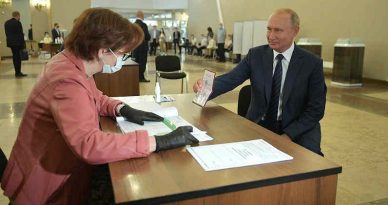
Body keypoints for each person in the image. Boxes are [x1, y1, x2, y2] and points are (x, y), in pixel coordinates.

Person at [1, 8, 198, 205]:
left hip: (60, 168)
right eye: (122, 53)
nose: (122, 59)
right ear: (103, 51)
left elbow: (96, 97)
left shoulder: (73, 63)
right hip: (46, 186)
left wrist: (122, 108)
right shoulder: (66, 80)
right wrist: (157, 142)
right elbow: (90, 145)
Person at [193, 8, 326, 156]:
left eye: (278, 30)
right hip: (261, 123)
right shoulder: (255, 55)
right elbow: (231, 78)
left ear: (295, 31)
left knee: (312, 165)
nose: (271, 36)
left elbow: (316, 109)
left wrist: (288, 136)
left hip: (298, 128)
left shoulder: (311, 64)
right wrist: (205, 87)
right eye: (269, 29)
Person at [4, 11, 27, 77]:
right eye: (19, 16)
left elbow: (7, 33)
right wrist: (23, 45)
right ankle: (18, 72)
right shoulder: (18, 23)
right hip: (18, 43)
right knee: (18, 57)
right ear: (18, 16)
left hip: (11, 43)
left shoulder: (7, 23)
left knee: (14, 56)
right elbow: (20, 34)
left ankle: (17, 72)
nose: (20, 18)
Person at [133, 10, 151, 82]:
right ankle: (141, 78)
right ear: (142, 16)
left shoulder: (133, 25)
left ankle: (136, 77)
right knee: (142, 62)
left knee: (136, 62)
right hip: (142, 48)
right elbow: (147, 37)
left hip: (135, 48)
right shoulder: (143, 25)